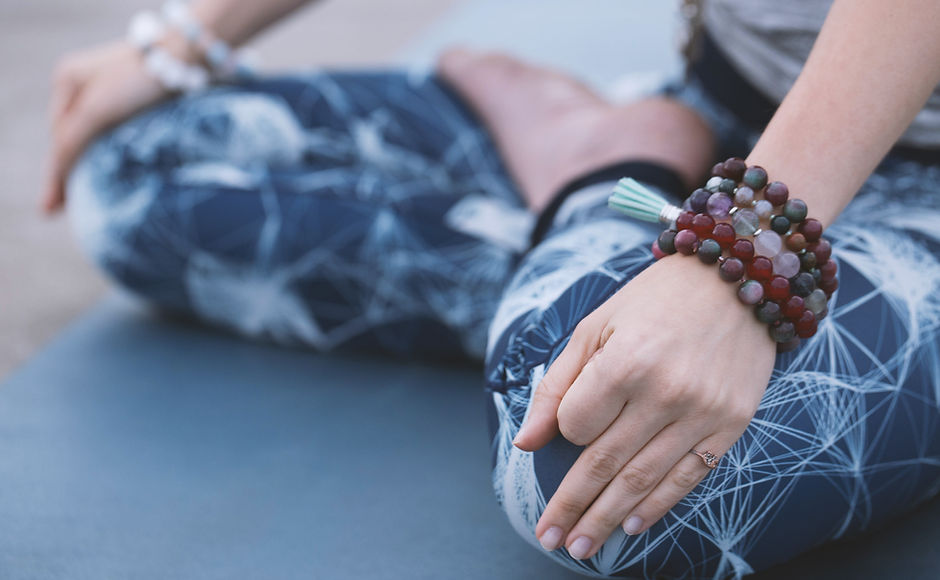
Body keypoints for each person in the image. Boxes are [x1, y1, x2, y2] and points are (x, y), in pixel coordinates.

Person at [44, 0, 940, 577]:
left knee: (586, 484)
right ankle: (611, 215)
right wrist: (186, 41)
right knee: (135, 176)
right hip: (730, 117)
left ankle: (601, 172)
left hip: (909, 205)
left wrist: (735, 256)